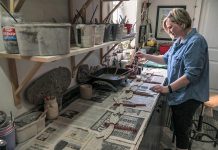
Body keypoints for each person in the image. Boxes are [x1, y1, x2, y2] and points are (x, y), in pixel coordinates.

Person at [136, 8, 209, 150]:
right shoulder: (179, 40)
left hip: (189, 95)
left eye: (170, 27)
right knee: (178, 125)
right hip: (179, 93)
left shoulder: (196, 42)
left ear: (181, 23)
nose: (169, 31)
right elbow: (165, 59)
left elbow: (191, 75)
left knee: (182, 130)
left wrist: (167, 88)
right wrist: (146, 56)